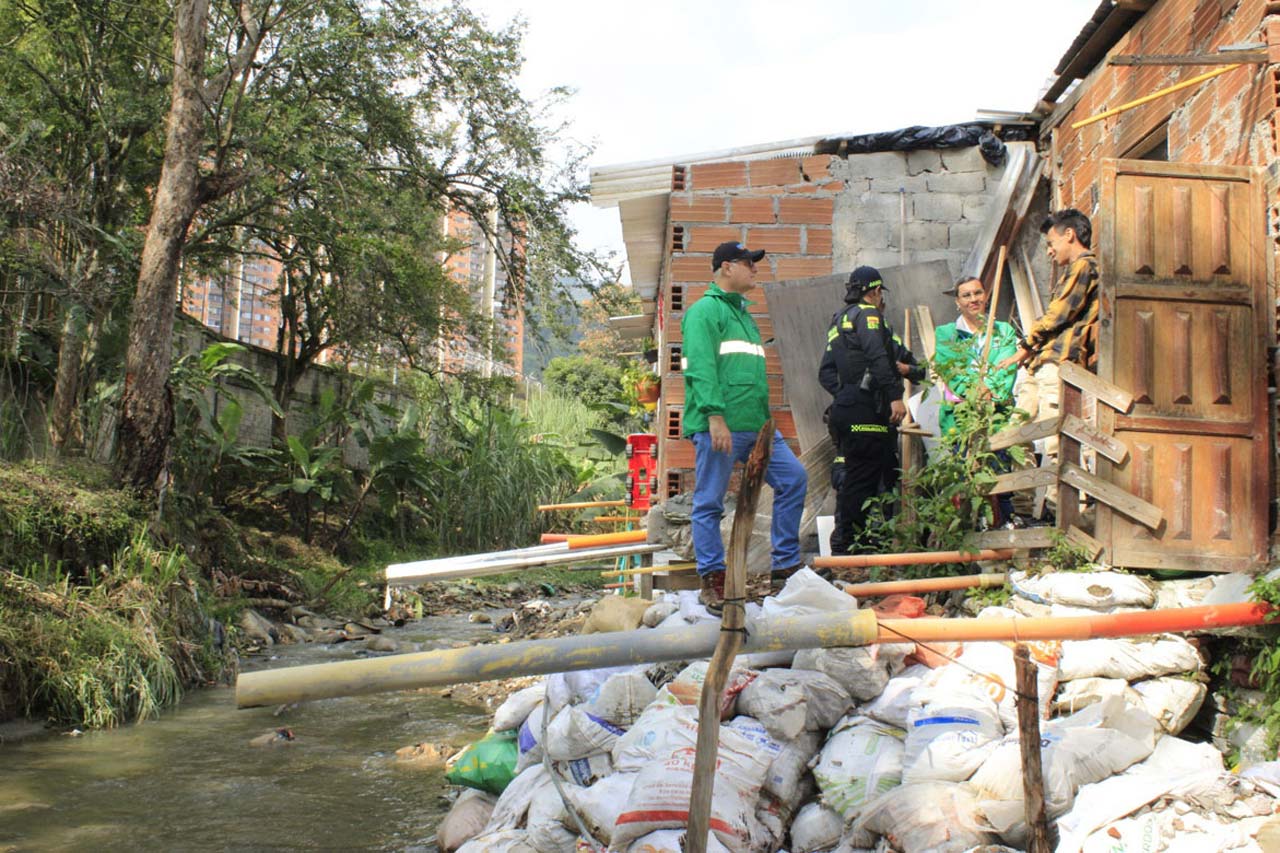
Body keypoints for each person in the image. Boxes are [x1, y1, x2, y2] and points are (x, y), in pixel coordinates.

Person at [682, 241, 807, 614]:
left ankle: (784, 567)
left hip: (757, 425)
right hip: (720, 425)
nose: (754, 268)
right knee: (708, 503)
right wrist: (714, 417)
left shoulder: (745, 316)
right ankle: (714, 581)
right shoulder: (704, 312)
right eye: (747, 263)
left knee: (794, 479)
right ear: (725, 268)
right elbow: (700, 368)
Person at [996, 209, 1100, 512]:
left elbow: (1058, 316)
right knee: (1016, 433)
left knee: (1056, 440)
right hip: (1039, 364)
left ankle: (1066, 513)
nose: (1050, 251)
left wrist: (1024, 346)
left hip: (1057, 362)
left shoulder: (1084, 266)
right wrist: (1027, 354)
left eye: (1052, 242)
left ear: (1070, 234)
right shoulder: (1070, 271)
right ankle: (1027, 505)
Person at [818, 266, 923, 555]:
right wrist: (894, 396)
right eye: (880, 294)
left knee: (869, 473)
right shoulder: (870, 316)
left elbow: (825, 373)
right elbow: (878, 357)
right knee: (862, 480)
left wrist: (847, 397)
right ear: (876, 292)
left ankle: (863, 543)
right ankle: (847, 546)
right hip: (867, 410)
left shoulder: (838, 321)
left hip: (847, 410)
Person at [934, 276, 1020, 525]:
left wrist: (990, 391)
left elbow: (1007, 368)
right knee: (964, 479)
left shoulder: (1003, 331)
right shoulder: (947, 334)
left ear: (986, 296)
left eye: (978, 293)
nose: (974, 299)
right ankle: (967, 538)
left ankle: (1003, 529)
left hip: (996, 416)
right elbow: (950, 369)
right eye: (966, 295)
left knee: (999, 474)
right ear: (957, 302)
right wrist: (974, 391)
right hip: (961, 419)